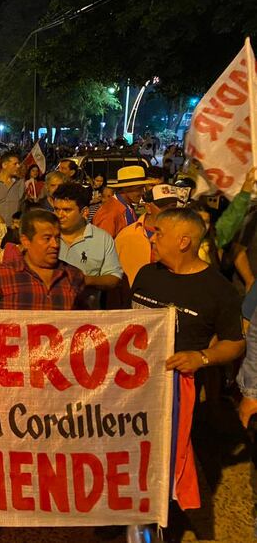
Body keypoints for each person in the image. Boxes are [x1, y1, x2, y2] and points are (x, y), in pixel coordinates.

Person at [131, 208, 245, 539]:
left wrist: (202, 357)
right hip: (133, 387)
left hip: (174, 393)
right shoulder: (146, 274)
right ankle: (127, 510)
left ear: (184, 241)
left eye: (159, 233)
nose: (152, 238)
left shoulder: (218, 290)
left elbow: (234, 344)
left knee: (165, 458)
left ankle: (164, 520)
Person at [0, 210, 88, 310]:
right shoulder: (0, 277)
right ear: (26, 241)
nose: (55, 245)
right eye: (47, 238)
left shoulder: (73, 276)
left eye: (57, 238)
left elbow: (86, 325)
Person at [52, 183, 123, 309]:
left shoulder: (102, 239)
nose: (60, 215)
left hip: (86, 317)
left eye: (67, 210)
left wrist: (85, 280)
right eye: (57, 209)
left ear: (84, 212)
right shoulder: (47, 235)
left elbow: (114, 277)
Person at [115, 184, 181, 287]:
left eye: (173, 207)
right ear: (148, 208)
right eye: (163, 207)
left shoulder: (181, 237)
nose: (169, 212)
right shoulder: (127, 236)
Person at [92, 165, 148, 238]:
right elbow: (103, 245)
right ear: (126, 188)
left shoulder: (125, 206)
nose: (143, 192)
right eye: (139, 188)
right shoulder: (110, 212)